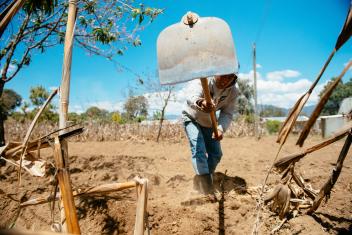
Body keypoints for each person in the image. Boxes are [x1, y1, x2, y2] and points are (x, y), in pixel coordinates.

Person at [182, 73, 238, 197]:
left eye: (230, 77)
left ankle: (203, 177)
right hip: (192, 117)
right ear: (216, 72)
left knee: (216, 154)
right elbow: (192, 96)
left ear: (234, 78)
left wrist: (220, 129)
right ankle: (205, 186)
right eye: (223, 76)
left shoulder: (232, 92)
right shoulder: (202, 80)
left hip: (209, 122)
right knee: (199, 149)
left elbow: (227, 113)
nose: (225, 80)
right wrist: (201, 102)